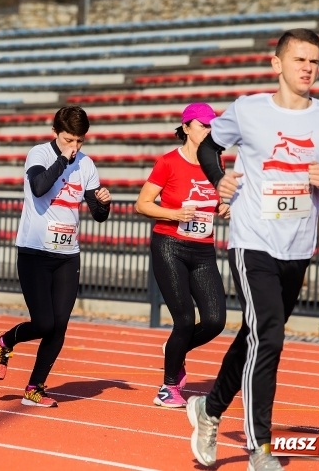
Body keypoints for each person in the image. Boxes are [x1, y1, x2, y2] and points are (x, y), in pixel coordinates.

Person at [187, 28, 319, 471]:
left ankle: (209, 410)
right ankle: (258, 447)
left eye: (315, 61)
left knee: (256, 335)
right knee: (271, 336)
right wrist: (218, 179)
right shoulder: (248, 111)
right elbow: (208, 145)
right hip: (252, 241)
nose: (308, 68)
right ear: (276, 64)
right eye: (299, 59)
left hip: (297, 247)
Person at [0, 105, 112, 407]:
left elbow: (98, 215)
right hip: (35, 250)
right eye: (69, 139)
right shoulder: (40, 154)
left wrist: (103, 203)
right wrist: (63, 159)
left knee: (60, 325)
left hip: (68, 254)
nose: (75, 146)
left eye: (80, 141)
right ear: (55, 133)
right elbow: (40, 187)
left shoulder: (87, 165)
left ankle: (34, 388)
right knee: (43, 323)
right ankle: (5, 341)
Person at [134, 102, 229, 408]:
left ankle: (176, 350)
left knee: (215, 320)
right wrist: (174, 213)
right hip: (170, 246)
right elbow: (142, 204)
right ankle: (168, 387)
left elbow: (217, 200)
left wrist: (224, 207)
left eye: (211, 125)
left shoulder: (216, 163)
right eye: (203, 125)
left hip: (203, 249)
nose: (208, 130)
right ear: (186, 127)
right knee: (185, 319)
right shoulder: (168, 162)